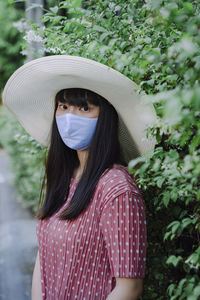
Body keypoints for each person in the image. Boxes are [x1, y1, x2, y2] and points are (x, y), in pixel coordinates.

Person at [2, 55, 157, 300]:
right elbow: (43, 259)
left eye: (85, 108)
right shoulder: (64, 176)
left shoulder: (116, 189)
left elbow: (129, 288)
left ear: (105, 117)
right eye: (63, 107)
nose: (69, 117)